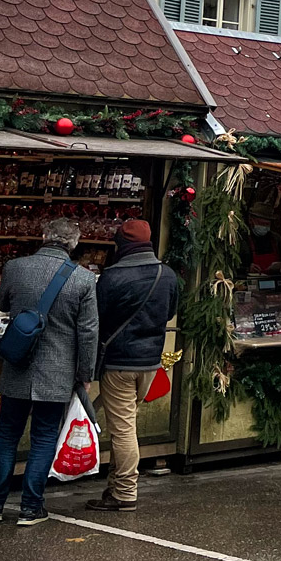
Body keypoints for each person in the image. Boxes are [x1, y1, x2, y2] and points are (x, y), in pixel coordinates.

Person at [0, 217, 99, 526]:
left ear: (44, 235)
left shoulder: (15, 267)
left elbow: (3, 303)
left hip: (17, 364)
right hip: (58, 370)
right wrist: (86, 374)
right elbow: (88, 333)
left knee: (7, 435)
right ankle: (31, 507)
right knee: (45, 437)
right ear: (74, 244)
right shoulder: (84, 279)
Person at [91, 218, 180, 512]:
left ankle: (125, 493)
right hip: (150, 362)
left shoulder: (112, 276)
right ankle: (115, 486)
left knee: (123, 429)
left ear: (122, 245)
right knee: (127, 424)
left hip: (119, 362)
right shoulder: (166, 275)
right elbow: (169, 314)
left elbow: (97, 320)